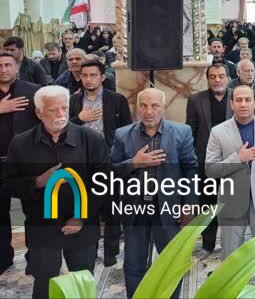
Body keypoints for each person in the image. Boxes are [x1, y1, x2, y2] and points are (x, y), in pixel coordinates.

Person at [3, 86, 107, 297]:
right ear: (39, 112)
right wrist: (37, 182)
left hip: (82, 226)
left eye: (64, 108)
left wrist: (81, 216)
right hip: (41, 227)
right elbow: (7, 184)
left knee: (82, 283)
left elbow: (103, 183)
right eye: (53, 109)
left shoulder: (91, 138)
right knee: (45, 284)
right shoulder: (21, 143)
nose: (60, 114)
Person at [110, 88, 197, 298]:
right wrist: (134, 163)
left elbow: (190, 169)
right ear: (137, 108)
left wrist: (189, 203)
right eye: (143, 105)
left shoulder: (182, 132)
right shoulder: (122, 135)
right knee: (134, 264)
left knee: (171, 263)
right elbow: (110, 170)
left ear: (163, 107)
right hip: (135, 208)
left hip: (168, 208)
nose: (149, 111)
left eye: (154, 105)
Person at [205, 85, 255, 290]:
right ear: (231, 104)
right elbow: (210, 169)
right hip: (231, 203)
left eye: (247, 100)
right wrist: (238, 158)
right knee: (230, 253)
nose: (243, 104)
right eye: (239, 100)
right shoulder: (218, 132)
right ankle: (233, 290)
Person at [68, 59, 132, 266]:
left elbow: (126, 129)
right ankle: (91, 248)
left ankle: (111, 252)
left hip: (109, 159)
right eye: (85, 75)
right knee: (87, 206)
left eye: (93, 75)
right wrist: (79, 118)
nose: (88, 79)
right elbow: (63, 127)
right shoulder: (73, 100)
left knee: (111, 208)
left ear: (102, 77)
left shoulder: (117, 99)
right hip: (82, 162)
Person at [0, 52, 39, 275]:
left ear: (17, 67)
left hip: (27, 163)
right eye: (0, 65)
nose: (3, 69)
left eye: (8, 65)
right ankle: (3, 258)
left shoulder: (32, 91)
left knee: (33, 212)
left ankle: (35, 257)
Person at [186, 63, 232, 252]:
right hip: (206, 162)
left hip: (233, 161)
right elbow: (191, 131)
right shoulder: (196, 100)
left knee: (232, 205)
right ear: (207, 79)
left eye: (221, 76)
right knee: (208, 205)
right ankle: (208, 244)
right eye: (212, 76)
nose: (217, 80)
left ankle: (231, 245)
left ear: (228, 78)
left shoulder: (237, 97)